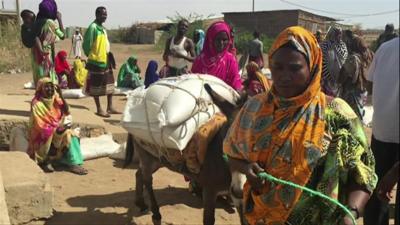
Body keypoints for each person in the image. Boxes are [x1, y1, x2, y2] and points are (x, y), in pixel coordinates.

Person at [223, 26, 377, 225]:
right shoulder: (255, 108)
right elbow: (231, 154)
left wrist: (351, 214)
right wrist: (246, 168)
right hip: (260, 217)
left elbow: (363, 173)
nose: (284, 76)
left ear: (312, 66)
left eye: (295, 68)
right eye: (277, 67)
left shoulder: (336, 113)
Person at [364, 37, 399, 225]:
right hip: (384, 130)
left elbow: (369, 83)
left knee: (379, 188)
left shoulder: (385, 48)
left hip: (383, 130)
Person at [27, 77, 88, 175]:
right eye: (46, 87)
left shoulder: (56, 98)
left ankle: (74, 163)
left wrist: (61, 95)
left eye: (52, 87)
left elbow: (67, 111)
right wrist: (58, 130)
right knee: (52, 135)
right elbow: (40, 126)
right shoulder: (37, 103)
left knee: (71, 134)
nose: (50, 89)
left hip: (56, 131)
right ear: (40, 89)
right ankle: (45, 161)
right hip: (41, 135)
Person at [83, 6, 119, 118]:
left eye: (106, 14)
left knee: (110, 83)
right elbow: (86, 45)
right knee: (96, 86)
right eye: (103, 14)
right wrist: (93, 56)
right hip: (96, 61)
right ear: (97, 15)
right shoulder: (92, 27)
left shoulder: (103, 28)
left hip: (106, 59)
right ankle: (99, 108)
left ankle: (110, 107)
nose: (105, 16)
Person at [191, 21, 242, 91]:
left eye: (224, 40)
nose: (221, 43)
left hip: (224, 98)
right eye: (218, 39)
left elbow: (235, 82)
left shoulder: (230, 60)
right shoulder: (200, 60)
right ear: (211, 39)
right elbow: (194, 83)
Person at [338, 33, 374, 121]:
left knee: (350, 115)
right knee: (359, 111)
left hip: (352, 91)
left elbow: (342, 76)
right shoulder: (370, 55)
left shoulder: (353, 59)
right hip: (364, 89)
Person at [31, 0, 65, 86]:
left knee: (39, 80)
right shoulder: (50, 23)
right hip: (46, 55)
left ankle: (39, 97)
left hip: (35, 55)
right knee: (49, 80)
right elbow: (62, 35)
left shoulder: (35, 23)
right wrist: (59, 19)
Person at [320, 26, 348, 97]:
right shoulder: (325, 45)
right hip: (326, 78)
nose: (339, 35)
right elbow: (320, 59)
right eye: (337, 33)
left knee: (334, 101)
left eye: (340, 33)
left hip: (339, 79)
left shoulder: (343, 46)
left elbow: (345, 60)